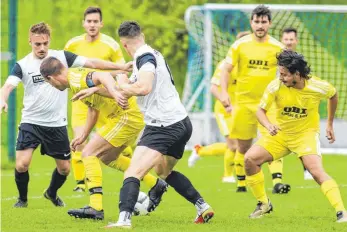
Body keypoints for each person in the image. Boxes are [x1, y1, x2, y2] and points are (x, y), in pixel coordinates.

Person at [0, 22, 131, 208]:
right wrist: (2, 99)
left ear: (49, 41)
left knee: (64, 169)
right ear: (30, 42)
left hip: (56, 124)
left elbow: (92, 63)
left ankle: (51, 193)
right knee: (22, 164)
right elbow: (7, 86)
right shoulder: (22, 65)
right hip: (31, 122)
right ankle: (22, 199)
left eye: (45, 43)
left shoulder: (61, 57)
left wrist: (121, 68)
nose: (42, 48)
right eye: (37, 44)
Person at [103, 21, 214, 228]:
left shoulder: (144, 58)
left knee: (133, 172)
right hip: (181, 122)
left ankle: (123, 220)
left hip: (162, 126)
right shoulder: (150, 54)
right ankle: (202, 205)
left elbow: (143, 87)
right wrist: (104, 89)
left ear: (124, 45)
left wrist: (123, 85)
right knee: (163, 172)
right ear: (142, 35)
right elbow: (136, 86)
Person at [40, 58, 168, 220]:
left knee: (88, 154)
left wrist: (115, 93)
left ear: (51, 78)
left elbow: (102, 76)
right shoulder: (75, 80)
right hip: (127, 117)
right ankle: (156, 184)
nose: (52, 86)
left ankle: (96, 207)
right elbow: (94, 109)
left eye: (49, 83)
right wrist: (83, 136)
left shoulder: (75, 79)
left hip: (126, 117)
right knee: (108, 158)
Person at [244, 50, 347, 223]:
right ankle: (263, 204)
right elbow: (260, 111)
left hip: (305, 136)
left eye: (284, 74)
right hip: (280, 135)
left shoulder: (317, 86)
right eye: (280, 73)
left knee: (316, 172)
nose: (281, 77)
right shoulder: (275, 86)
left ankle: (342, 212)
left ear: (297, 74)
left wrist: (329, 123)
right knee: (249, 160)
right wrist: (268, 125)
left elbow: (333, 95)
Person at [64, 6, 142, 192]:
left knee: (114, 146)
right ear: (84, 23)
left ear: (101, 24)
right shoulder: (72, 45)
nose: (92, 25)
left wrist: (120, 90)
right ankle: (81, 184)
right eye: (89, 21)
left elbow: (122, 70)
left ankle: (134, 173)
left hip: (107, 99)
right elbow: (64, 70)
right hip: (82, 100)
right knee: (80, 141)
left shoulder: (111, 45)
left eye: (95, 21)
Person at [220, 5, 290, 194]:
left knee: (272, 140)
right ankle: (242, 184)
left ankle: (277, 182)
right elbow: (226, 69)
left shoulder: (278, 47)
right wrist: (224, 92)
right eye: (256, 22)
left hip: (269, 105)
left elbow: (290, 72)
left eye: (263, 22)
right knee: (243, 146)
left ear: (269, 24)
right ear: (251, 23)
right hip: (244, 104)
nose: (260, 25)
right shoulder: (239, 45)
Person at [188, 31, 251, 184]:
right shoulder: (225, 65)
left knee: (240, 146)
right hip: (225, 111)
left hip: (241, 111)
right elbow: (214, 88)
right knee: (234, 145)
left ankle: (200, 151)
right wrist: (227, 103)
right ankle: (228, 175)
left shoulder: (251, 67)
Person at [281, 27, 313, 180]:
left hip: (296, 104)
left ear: (296, 41)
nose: (288, 42)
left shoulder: (300, 60)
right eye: (286, 39)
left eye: (291, 39)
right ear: (282, 40)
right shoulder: (277, 59)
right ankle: (277, 178)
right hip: (278, 104)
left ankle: (307, 168)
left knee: (299, 136)